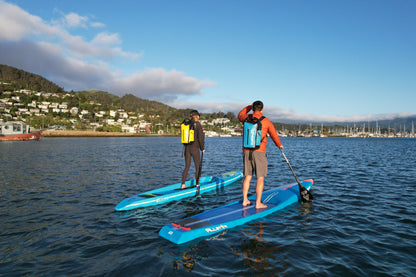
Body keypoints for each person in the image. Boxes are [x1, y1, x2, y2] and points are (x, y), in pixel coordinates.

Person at [238, 100, 283, 209]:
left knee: (248, 176)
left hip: (246, 150)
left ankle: (245, 200)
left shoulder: (246, 118)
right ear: (262, 109)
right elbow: (274, 135)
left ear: (253, 108)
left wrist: (249, 107)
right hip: (260, 151)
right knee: (260, 178)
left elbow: (240, 114)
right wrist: (279, 145)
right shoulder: (266, 121)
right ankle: (258, 203)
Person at [181, 110, 205, 189]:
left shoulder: (186, 124)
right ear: (197, 116)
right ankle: (197, 184)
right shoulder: (197, 124)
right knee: (197, 167)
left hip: (187, 148)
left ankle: (183, 184)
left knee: (187, 167)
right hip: (195, 148)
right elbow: (200, 138)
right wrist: (202, 148)